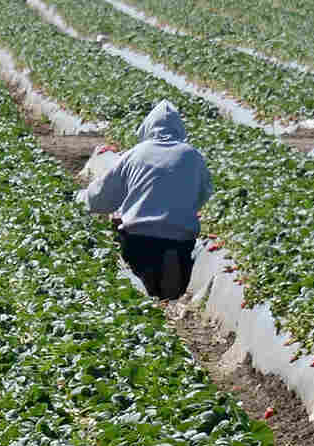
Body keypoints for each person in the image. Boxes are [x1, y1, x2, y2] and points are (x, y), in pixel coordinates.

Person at [78, 100, 213, 300]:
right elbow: (202, 194)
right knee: (175, 270)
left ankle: (146, 284)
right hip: (181, 239)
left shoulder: (135, 154)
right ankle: (171, 276)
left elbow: (103, 197)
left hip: (139, 239)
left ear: (148, 127)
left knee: (137, 278)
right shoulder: (193, 156)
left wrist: (81, 199)